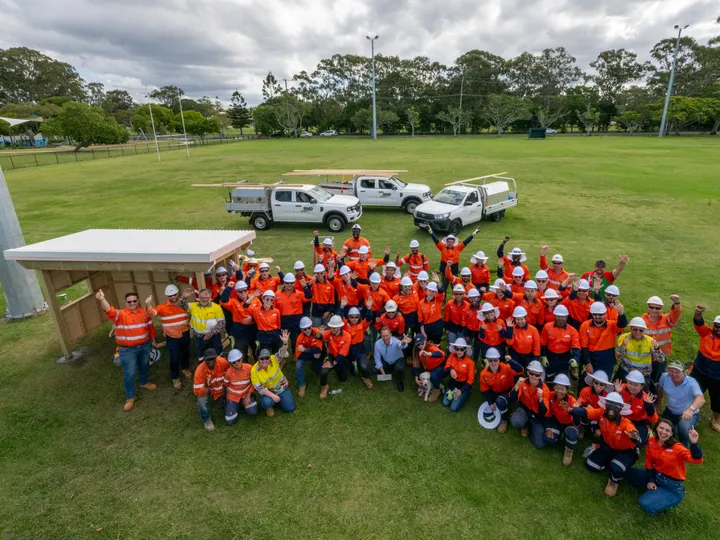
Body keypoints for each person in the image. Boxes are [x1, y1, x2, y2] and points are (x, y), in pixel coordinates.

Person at [571, 391, 641, 497]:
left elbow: (633, 431)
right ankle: (612, 463)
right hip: (608, 447)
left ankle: (614, 481)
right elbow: (587, 412)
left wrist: (634, 435)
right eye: (609, 404)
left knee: (617, 468)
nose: (612, 408)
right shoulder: (601, 413)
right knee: (590, 465)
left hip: (626, 452)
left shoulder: (625, 422)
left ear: (621, 408)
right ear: (606, 405)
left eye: (616, 405)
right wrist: (572, 409)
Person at [96, 289, 156, 411]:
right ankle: (130, 397)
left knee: (143, 364)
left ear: (138, 301)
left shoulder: (144, 312)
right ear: (125, 302)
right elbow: (108, 309)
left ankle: (144, 382)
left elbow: (150, 326)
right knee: (130, 373)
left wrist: (153, 339)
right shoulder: (119, 314)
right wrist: (102, 299)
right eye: (130, 302)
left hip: (144, 346)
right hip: (127, 350)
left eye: (134, 301)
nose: (132, 303)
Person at [626, 419, 703, 515]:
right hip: (656, 474)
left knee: (644, 503)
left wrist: (694, 444)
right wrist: (651, 480)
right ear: (656, 428)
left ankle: (676, 495)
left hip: (671, 484)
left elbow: (697, 460)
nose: (663, 432)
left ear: (671, 434)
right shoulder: (652, 441)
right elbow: (649, 461)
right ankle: (656, 487)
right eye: (661, 428)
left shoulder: (677, 448)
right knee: (628, 473)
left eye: (667, 430)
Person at [145, 284, 191, 390]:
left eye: (174, 294)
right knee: (174, 357)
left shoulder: (183, 305)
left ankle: (185, 368)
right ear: (167, 296)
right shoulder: (162, 307)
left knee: (185, 352)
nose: (173, 297)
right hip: (172, 336)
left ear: (177, 294)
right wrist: (148, 304)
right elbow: (152, 313)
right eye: (170, 296)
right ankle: (175, 377)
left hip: (185, 333)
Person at [579, 302, 628, 389]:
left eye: (600, 314)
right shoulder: (585, 326)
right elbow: (583, 346)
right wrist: (587, 363)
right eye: (595, 314)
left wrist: (621, 313)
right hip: (591, 358)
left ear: (605, 314)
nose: (597, 316)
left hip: (607, 360)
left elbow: (622, 324)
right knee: (586, 384)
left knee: (602, 385)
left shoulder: (612, 325)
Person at [657, 360, 705, 445]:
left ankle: (684, 444)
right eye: (671, 371)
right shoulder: (664, 377)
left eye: (677, 372)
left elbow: (701, 399)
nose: (674, 375)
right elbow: (660, 389)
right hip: (670, 411)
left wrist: (690, 410)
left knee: (683, 427)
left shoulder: (691, 382)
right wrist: (658, 404)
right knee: (662, 430)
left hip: (688, 413)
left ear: (683, 372)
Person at [480, 348, 523, 433]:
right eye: (490, 360)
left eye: (495, 360)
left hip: (508, 391)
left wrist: (511, 361)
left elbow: (520, 370)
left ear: (499, 360)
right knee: (496, 400)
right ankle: (501, 405)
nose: (493, 362)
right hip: (495, 392)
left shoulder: (506, 367)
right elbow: (485, 389)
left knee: (500, 401)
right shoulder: (483, 373)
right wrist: (490, 402)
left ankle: (504, 419)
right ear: (487, 360)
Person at [615, 317, 665, 390]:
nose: (638, 332)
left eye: (641, 330)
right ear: (631, 328)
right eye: (635, 329)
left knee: (641, 397)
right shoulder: (624, 337)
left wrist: (656, 349)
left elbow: (661, 360)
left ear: (644, 330)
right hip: (626, 370)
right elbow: (618, 356)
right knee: (618, 390)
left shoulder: (650, 341)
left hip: (643, 373)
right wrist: (623, 346)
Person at [691, 305, 720, 431]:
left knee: (718, 399)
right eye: (717, 326)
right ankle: (689, 411)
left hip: (718, 376)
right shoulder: (706, 333)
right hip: (699, 371)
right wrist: (698, 312)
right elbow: (698, 321)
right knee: (691, 392)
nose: (719, 329)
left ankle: (716, 419)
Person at [250, 337, 296, 417]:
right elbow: (259, 388)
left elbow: (281, 353)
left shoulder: (273, 359)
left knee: (289, 409)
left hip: (281, 387)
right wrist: (273, 396)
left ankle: (280, 400)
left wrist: (285, 343)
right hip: (268, 391)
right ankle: (269, 406)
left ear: (269, 358)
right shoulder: (254, 371)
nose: (265, 360)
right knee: (267, 402)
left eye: (267, 358)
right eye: (262, 358)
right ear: (258, 358)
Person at [509, 360, 549, 446]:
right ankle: (525, 425)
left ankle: (532, 427)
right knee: (516, 421)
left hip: (537, 416)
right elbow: (512, 400)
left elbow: (544, 412)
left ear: (541, 375)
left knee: (539, 444)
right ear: (527, 372)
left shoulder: (545, 389)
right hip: (524, 410)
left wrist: (540, 398)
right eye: (531, 373)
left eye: (537, 374)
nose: (533, 377)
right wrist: (516, 385)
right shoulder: (522, 383)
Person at [614, 370, 659, 445]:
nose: (632, 387)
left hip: (638, 421)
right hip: (622, 418)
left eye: (636, 385)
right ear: (627, 382)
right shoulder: (620, 388)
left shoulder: (645, 398)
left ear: (641, 386)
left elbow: (654, 419)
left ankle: (647, 432)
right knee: (615, 435)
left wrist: (649, 407)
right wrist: (617, 393)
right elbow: (610, 405)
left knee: (638, 441)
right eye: (630, 383)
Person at [544, 374, 579, 466]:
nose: (559, 391)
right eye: (557, 388)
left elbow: (577, 422)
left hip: (570, 424)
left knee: (571, 436)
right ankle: (559, 435)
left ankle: (569, 451)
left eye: (562, 389)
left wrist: (572, 410)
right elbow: (548, 413)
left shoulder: (572, 400)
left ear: (567, 390)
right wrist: (548, 428)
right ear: (554, 387)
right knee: (549, 440)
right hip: (558, 422)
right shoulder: (551, 396)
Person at [219, 281, 259, 361]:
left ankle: (258, 364)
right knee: (241, 351)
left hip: (253, 328)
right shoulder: (233, 302)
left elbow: (261, 312)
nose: (243, 292)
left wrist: (252, 318)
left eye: (245, 290)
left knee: (256, 349)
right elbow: (223, 301)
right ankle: (244, 365)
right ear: (236, 292)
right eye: (240, 291)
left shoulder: (255, 299)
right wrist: (228, 288)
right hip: (240, 330)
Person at [193, 348, 230, 431]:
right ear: (204, 360)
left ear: (216, 358)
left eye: (213, 358)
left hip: (221, 387)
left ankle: (226, 402)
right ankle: (206, 420)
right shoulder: (199, 370)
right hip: (207, 389)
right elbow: (197, 392)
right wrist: (206, 386)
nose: (210, 361)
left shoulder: (224, 362)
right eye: (208, 359)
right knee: (201, 400)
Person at [342, 298, 375, 390]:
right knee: (349, 369)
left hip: (360, 348)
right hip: (348, 349)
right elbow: (340, 317)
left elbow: (368, 318)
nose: (354, 319)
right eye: (352, 317)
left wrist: (369, 308)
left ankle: (365, 377)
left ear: (359, 317)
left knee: (364, 366)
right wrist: (341, 307)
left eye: (356, 317)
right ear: (348, 317)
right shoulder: (344, 324)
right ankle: (353, 365)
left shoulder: (362, 324)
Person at [540, 305, 580, 380]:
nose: (561, 319)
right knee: (549, 376)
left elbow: (576, 346)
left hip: (564, 357)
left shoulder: (572, 330)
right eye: (558, 316)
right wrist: (543, 356)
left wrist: (575, 359)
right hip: (550, 356)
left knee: (562, 377)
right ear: (554, 316)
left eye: (563, 317)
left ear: (567, 317)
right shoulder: (547, 327)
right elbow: (543, 343)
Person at [183, 287, 225, 359]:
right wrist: (184, 298)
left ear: (210, 296)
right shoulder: (193, 306)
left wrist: (210, 333)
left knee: (217, 354)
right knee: (202, 355)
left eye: (206, 297)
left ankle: (219, 367)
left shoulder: (216, 307)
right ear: (199, 296)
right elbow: (182, 306)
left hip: (214, 336)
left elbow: (221, 323)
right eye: (202, 297)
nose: (204, 299)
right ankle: (203, 367)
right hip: (199, 336)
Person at [319, 315, 353, 398]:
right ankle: (324, 386)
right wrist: (319, 333)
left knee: (343, 379)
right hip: (331, 356)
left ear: (340, 327)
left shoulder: (347, 336)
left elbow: (343, 353)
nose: (332, 329)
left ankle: (340, 369)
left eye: (334, 328)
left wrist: (333, 364)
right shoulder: (329, 332)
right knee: (323, 372)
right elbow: (320, 338)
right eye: (331, 327)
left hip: (342, 358)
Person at [223, 349, 258, 425]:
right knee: (230, 421)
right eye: (234, 362)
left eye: (238, 360)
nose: (237, 363)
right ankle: (232, 404)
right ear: (231, 363)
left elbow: (254, 382)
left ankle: (246, 401)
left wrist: (248, 396)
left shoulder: (249, 368)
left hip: (246, 394)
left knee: (253, 412)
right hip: (233, 396)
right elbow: (226, 385)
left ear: (241, 359)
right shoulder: (228, 373)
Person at [576, 370, 612, 440]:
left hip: (599, 415)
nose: (598, 385)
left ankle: (597, 430)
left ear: (605, 386)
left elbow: (606, 410)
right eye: (596, 382)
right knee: (583, 413)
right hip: (587, 413)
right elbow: (580, 403)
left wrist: (595, 411)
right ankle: (582, 429)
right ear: (593, 382)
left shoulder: (607, 396)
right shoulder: (585, 390)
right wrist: (587, 407)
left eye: (602, 384)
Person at [275, 273, 306, 354]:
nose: (289, 285)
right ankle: (281, 356)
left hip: (295, 320)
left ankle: (295, 354)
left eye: (291, 283)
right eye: (287, 283)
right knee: (282, 340)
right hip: (283, 320)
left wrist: (305, 287)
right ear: (284, 283)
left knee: (295, 339)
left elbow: (308, 298)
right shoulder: (277, 294)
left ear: (294, 283)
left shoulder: (299, 293)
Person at [442, 337, 476, 412]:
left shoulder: (470, 362)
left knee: (453, 408)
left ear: (465, 349)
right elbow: (446, 367)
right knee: (445, 403)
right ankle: (455, 393)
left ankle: (466, 393)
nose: (459, 351)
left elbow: (471, 379)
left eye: (462, 349)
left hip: (463, 385)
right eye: (457, 349)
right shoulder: (451, 356)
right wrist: (450, 370)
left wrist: (462, 391)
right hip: (453, 383)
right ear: (455, 348)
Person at [374, 327, 411, 392]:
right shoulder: (377, 344)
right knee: (376, 370)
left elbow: (401, 345)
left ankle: (399, 381)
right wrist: (383, 373)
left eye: (387, 335)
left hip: (398, 359)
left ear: (390, 334)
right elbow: (377, 358)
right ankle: (387, 372)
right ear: (381, 335)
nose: (385, 338)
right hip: (386, 361)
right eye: (383, 336)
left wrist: (404, 342)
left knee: (399, 368)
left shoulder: (395, 341)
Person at [413, 333, 447, 402]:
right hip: (429, 367)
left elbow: (441, 354)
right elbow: (416, 365)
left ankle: (437, 390)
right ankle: (428, 385)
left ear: (425, 341)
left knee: (433, 375)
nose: (420, 346)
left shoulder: (431, 347)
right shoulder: (416, 349)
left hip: (441, 366)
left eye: (422, 343)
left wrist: (429, 354)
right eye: (418, 344)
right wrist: (416, 379)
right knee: (415, 372)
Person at [304, 263, 337, 328]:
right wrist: (310, 282)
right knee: (316, 331)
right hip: (316, 313)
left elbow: (332, 301)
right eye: (317, 274)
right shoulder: (312, 284)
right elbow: (308, 295)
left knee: (326, 332)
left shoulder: (330, 286)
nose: (319, 275)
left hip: (326, 312)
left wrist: (328, 312)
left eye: (321, 273)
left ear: (324, 273)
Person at [462, 288, 483, 360]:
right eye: (471, 298)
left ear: (478, 298)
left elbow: (483, 321)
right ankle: (466, 359)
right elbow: (464, 321)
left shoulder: (482, 309)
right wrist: (466, 334)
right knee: (467, 345)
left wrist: (481, 331)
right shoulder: (466, 308)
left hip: (479, 331)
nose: (473, 300)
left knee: (477, 346)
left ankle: (475, 360)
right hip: (469, 330)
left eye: (475, 298)